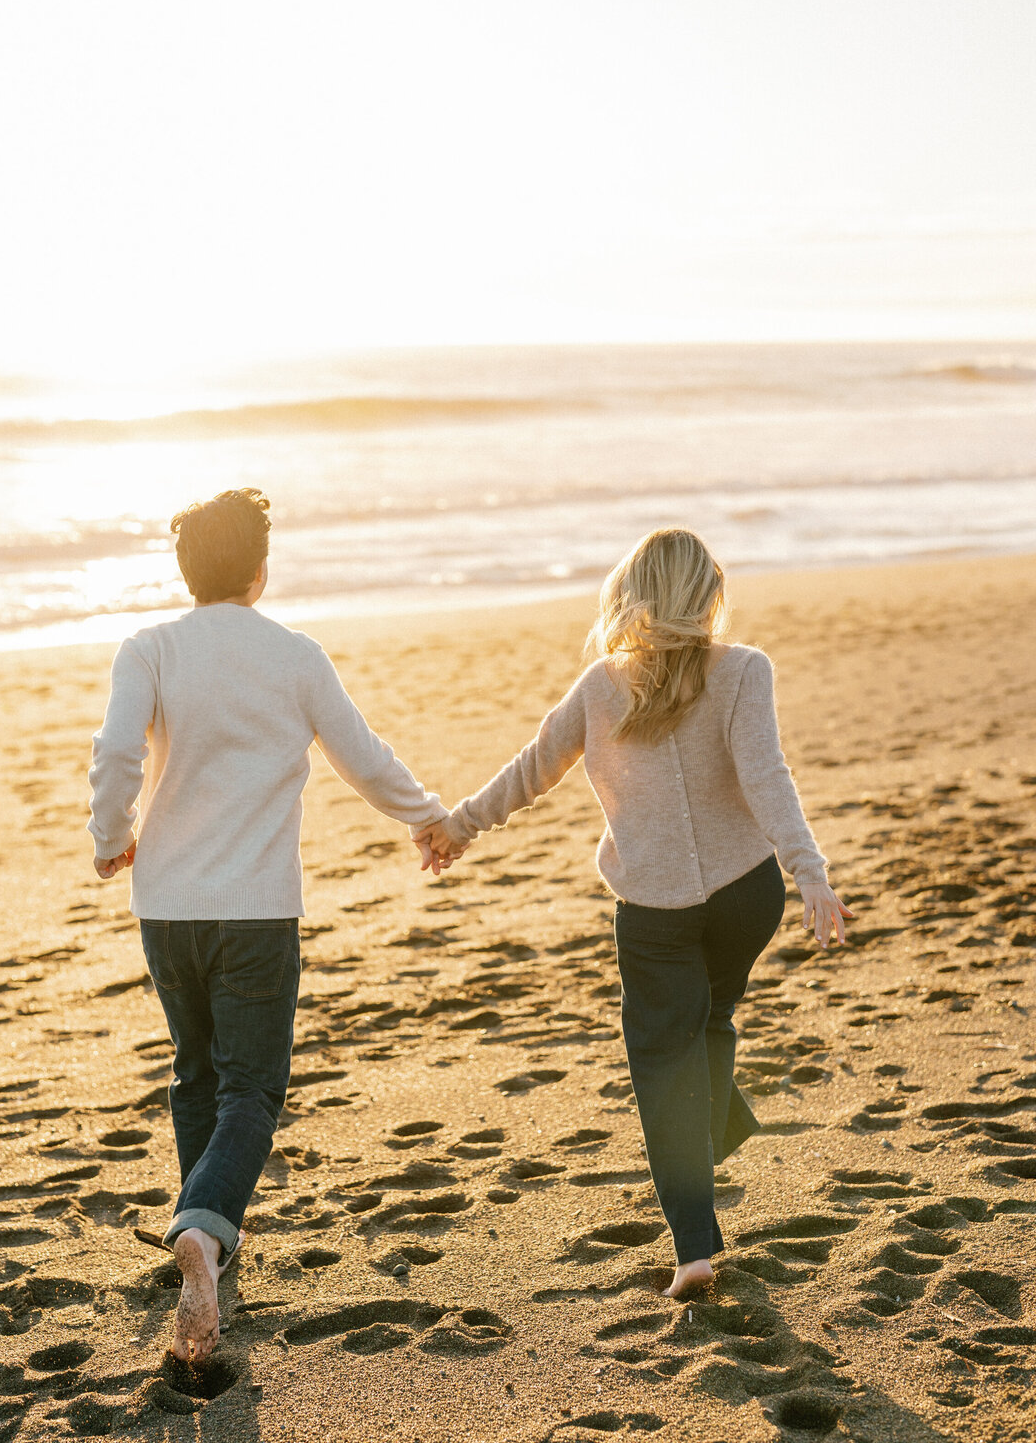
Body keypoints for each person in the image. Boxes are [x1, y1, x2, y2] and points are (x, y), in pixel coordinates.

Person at [416, 528, 851, 1299]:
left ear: (634, 596)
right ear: (707, 596)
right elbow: (766, 776)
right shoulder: (744, 670)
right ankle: (716, 1129)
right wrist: (806, 872)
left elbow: (531, 771)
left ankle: (694, 1250)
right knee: (710, 1020)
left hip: (655, 911)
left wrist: (460, 826)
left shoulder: (601, 686)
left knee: (661, 1063)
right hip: (747, 896)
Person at [88, 488, 448, 1359]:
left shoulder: (149, 648)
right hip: (255, 909)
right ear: (259, 570)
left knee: (195, 1073)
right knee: (252, 1088)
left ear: (185, 571)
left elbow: (116, 752)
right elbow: (363, 756)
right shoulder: (294, 655)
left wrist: (111, 836)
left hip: (168, 905)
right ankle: (204, 1232)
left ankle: (200, 1225)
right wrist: (427, 814)